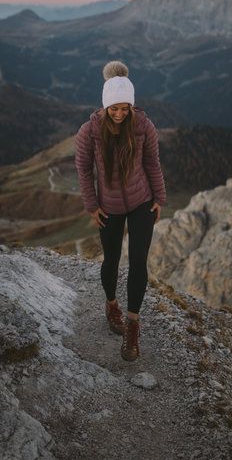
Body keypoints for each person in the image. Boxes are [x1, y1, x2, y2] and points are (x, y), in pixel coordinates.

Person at [74, 60, 166, 361]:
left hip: (141, 201)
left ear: (131, 105)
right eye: (114, 108)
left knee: (139, 260)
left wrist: (159, 197)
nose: (120, 113)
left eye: (125, 108)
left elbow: (152, 162)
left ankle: (132, 325)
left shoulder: (143, 126)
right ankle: (111, 304)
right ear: (105, 105)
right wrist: (91, 205)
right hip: (109, 206)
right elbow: (84, 170)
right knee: (111, 259)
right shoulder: (89, 132)